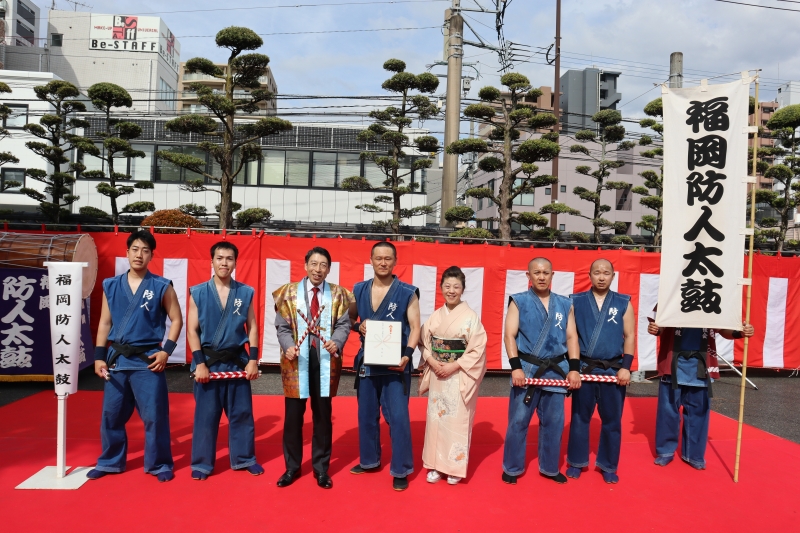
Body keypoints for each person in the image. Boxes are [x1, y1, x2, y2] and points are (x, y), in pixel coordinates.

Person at [87, 230, 183, 482]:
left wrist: (166, 351)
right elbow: (105, 323)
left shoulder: (161, 285)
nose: (139, 255)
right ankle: (109, 461)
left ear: (151, 255)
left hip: (148, 360)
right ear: (127, 252)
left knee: (154, 415)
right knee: (111, 414)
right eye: (135, 249)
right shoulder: (111, 285)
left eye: (145, 250)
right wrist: (99, 356)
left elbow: (177, 319)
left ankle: (159, 464)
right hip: (117, 360)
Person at [273, 247, 354, 489]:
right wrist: (288, 346)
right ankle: (292, 467)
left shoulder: (339, 295)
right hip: (296, 361)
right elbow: (282, 327)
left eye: (323, 265)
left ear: (329, 269)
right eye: (314, 264)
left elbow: (344, 324)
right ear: (306, 264)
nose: (318, 269)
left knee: (322, 417)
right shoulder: (288, 293)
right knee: (293, 417)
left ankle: (321, 469)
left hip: (325, 361)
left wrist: (336, 341)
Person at [501, 257, 580, 485]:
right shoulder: (519, 301)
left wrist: (573, 369)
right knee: (518, 421)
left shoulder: (565, 304)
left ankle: (549, 466)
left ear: (553, 275)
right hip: (527, 369)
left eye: (546, 272)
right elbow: (509, 335)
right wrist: (515, 367)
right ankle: (512, 467)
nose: (542, 276)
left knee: (554, 422)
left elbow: (572, 336)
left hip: (557, 370)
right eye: (536, 272)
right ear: (529, 276)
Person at [187, 241, 263, 481]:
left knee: (242, 413)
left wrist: (253, 360)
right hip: (208, 363)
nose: (224, 263)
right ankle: (201, 463)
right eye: (219, 258)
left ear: (235, 263)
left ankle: (244, 458)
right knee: (206, 417)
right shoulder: (197, 292)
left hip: (236, 361)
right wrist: (199, 363)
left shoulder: (245, 292)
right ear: (212, 261)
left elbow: (252, 327)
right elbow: (191, 330)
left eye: (229, 259)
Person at [349, 241, 421, 492]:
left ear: (395, 261)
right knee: (366, 415)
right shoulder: (358, 289)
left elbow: (415, 327)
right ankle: (369, 461)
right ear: (370, 260)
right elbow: (348, 319)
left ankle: (401, 468)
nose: (383, 262)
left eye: (388, 258)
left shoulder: (407, 292)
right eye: (378, 258)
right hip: (367, 362)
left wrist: (409, 354)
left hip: (396, 364)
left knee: (399, 417)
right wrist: (359, 326)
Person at [648, 317, 754, 470]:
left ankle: (693, 454)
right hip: (673, 363)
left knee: (698, 414)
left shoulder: (712, 298)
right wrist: (655, 329)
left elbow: (724, 329)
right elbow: (661, 324)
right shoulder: (669, 295)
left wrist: (740, 333)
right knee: (668, 412)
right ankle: (665, 451)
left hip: (701, 365)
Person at [566, 259, 635, 484]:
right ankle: (576, 462)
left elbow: (630, 336)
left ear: (613, 276)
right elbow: (571, 336)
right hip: (584, 368)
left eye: (606, 273)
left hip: (613, 369)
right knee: (579, 417)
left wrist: (626, 367)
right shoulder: (576, 301)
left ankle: (608, 465)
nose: (602, 277)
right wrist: (573, 369)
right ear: (590, 275)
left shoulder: (623, 301)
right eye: (597, 273)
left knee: (612, 420)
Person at [418, 266, 487, 485]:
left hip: (458, 375)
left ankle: (455, 466)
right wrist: (430, 360)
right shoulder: (436, 316)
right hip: (438, 373)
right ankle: (436, 465)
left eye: (456, 286)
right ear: (441, 288)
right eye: (447, 286)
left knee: (457, 420)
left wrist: (454, 365)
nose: (451, 290)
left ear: (463, 289)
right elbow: (423, 342)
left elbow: (478, 349)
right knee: (437, 420)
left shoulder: (470, 318)